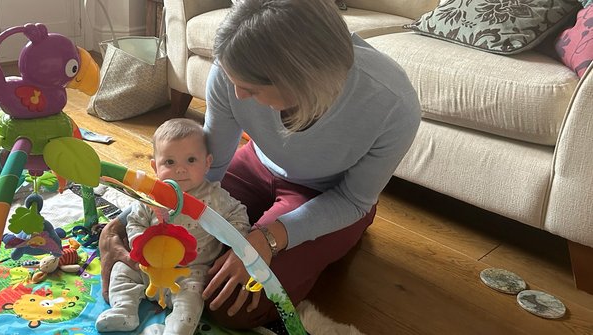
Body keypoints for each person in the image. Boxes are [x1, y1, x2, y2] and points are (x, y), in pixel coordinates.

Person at [100, 0, 421, 330]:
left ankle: (336, 244)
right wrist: (124, 222)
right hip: (256, 164)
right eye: (233, 81)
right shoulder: (232, 71)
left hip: (330, 196)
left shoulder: (392, 104)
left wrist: (268, 238)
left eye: (251, 89)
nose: (237, 95)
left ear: (303, 80)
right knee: (144, 241)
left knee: (229, 304)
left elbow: (354, 199)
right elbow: (205, 172)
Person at [95, 118, 250, 334]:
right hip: (147, 267)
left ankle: (178, 327)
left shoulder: (215, 197)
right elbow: (135, 221)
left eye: (191, 160)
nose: (180, 170)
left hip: (190, 271)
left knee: (194, 297)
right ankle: (124, 309)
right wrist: (138, 244)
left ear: (207, 162)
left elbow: (238, 214)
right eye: (169, 162)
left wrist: (237, 243)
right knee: (122, 269)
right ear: (154, 166)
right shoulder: (151, 196)